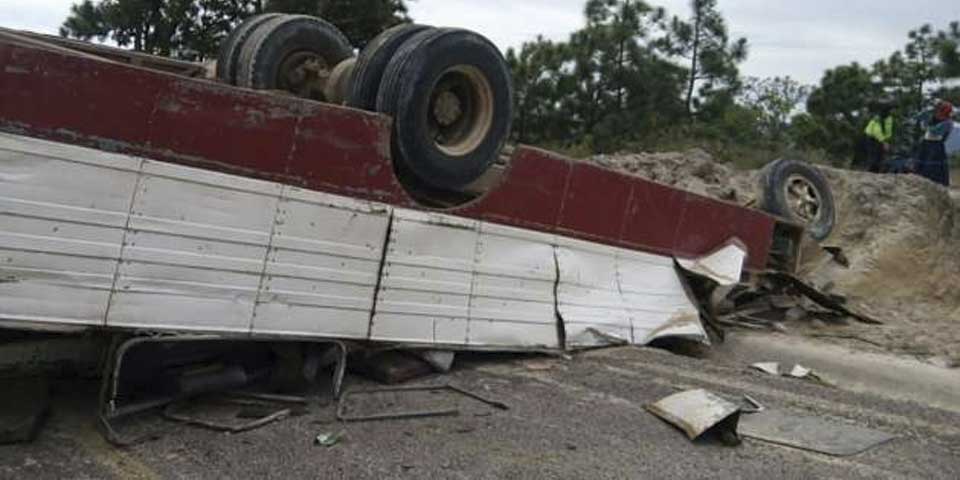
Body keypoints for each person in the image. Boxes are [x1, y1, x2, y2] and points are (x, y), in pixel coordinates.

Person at [914, 101, 955, 187]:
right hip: (926, 143)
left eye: (940, 111)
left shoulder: (948, 123)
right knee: (921, 165)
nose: (938, 113)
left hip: (936, 146)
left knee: (933, 167)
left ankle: (936, 185)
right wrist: (925, 114)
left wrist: (926, 120)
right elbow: (921, 122)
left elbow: (934, 131)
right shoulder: (934, 118)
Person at [858, 102, 895, 172]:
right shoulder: (878, 118)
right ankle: (870, 171)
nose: (893, 111)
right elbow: (877, 131)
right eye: (892, 110)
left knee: (880, 156)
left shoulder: (889, 118)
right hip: (871, 137)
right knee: (874, 155)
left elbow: (888, 130)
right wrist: (883, 142)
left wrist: (888, 141)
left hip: (881, 139)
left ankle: (877, 172)